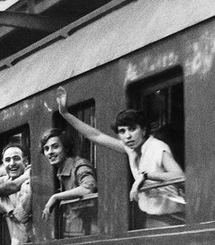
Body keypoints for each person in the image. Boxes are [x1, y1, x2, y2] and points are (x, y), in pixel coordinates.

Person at [56, 87, 186, 223]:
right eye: (122, 131)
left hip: (174, 217)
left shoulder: (157, 147)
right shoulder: (130, 149)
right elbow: (96, 135)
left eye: (132, 129)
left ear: (143, 130)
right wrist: (65, 114)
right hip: (154, 217)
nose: (128, 136)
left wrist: (146, 176)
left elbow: (180, 176)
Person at [38, 128, 97, 220]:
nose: (50, 152)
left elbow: (88, 188)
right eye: (46, 149)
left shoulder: (79, 165)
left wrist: (55, 197)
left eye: (55, 147)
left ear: (66, 148)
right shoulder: (61, 171)